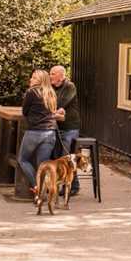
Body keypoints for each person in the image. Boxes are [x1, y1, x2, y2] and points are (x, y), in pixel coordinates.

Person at [18, 69, 59, 194]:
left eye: (34, 78)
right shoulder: (51, 92)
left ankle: (37, 186)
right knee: (42, 165)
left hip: (35, 132)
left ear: (40, 80)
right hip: (50, 132)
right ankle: (45, 191)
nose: (31, 80)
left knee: (23, 160)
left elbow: (24, 112)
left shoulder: (32, 92)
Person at [51, 65, 81, 194]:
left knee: (67, 157)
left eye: (52, 74)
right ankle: (62, 184)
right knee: (58, 157)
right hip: (57, 126)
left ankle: (73, 187)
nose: (50, 76)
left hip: (69, 127)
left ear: (61, 76)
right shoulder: (51, 87)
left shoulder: (70, 86)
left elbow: (61, 102)